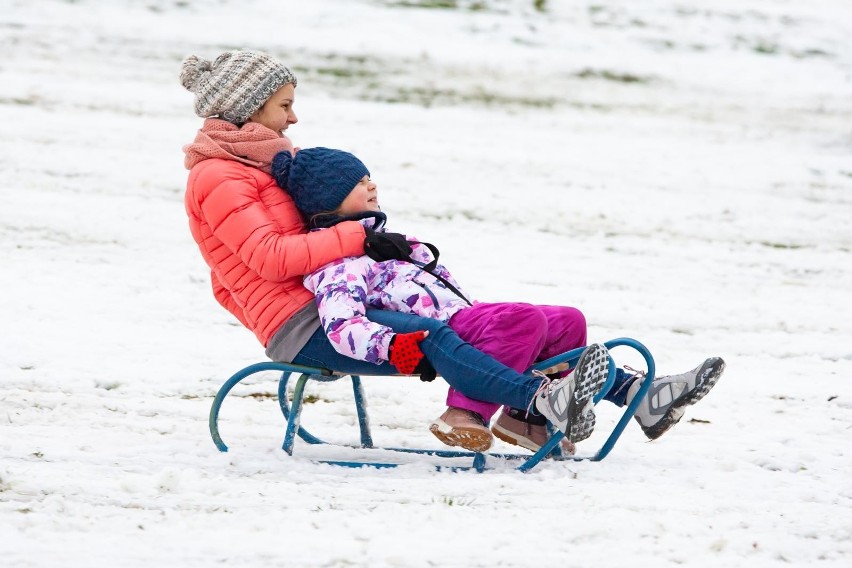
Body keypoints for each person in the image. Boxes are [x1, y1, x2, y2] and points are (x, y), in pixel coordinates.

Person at [179, 49, 725, 455]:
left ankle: (637, 395)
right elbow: (271, 256)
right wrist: (362, 239)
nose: (294, 118)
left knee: (540, 322)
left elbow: (314, 229)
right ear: (249, 107)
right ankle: (536, 402)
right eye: (284, 105)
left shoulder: (267, 163)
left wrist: (379, 245)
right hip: (304, 322)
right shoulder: (219, 177)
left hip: (338, 299)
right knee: (456, 333)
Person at [270, 146, 727, 453]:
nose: (372, 186)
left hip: (462, 319)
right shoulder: (342, 259)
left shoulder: (386, 242)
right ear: (329, 198)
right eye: (359, 182)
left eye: (371, 178)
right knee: (522, 320)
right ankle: (463, 412)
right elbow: (342, 325)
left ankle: (599, 406)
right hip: (445, 334)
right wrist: (393, 345)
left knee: (567, 320)